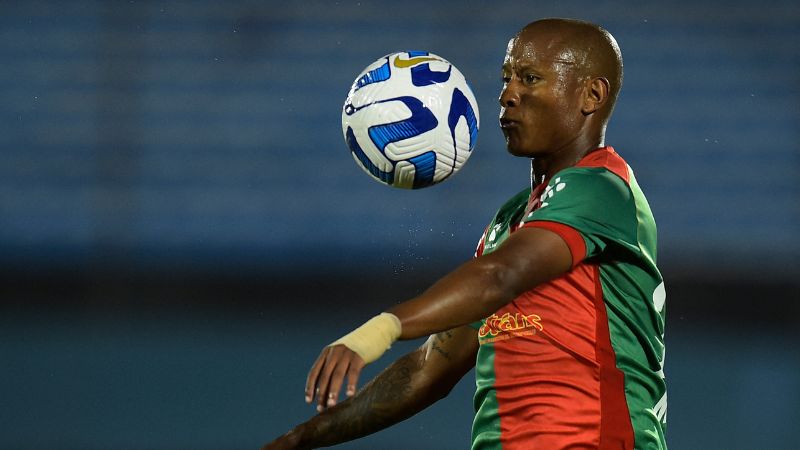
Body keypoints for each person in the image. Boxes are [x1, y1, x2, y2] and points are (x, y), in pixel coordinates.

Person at [264, 17, 667, 450]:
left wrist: (384, 327)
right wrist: (299, 438)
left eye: (530, 78)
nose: (507, 95)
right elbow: (428, 371)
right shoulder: (511, 220)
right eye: (507, 78)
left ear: (592, 95)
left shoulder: (601, 188)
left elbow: (500, 277)